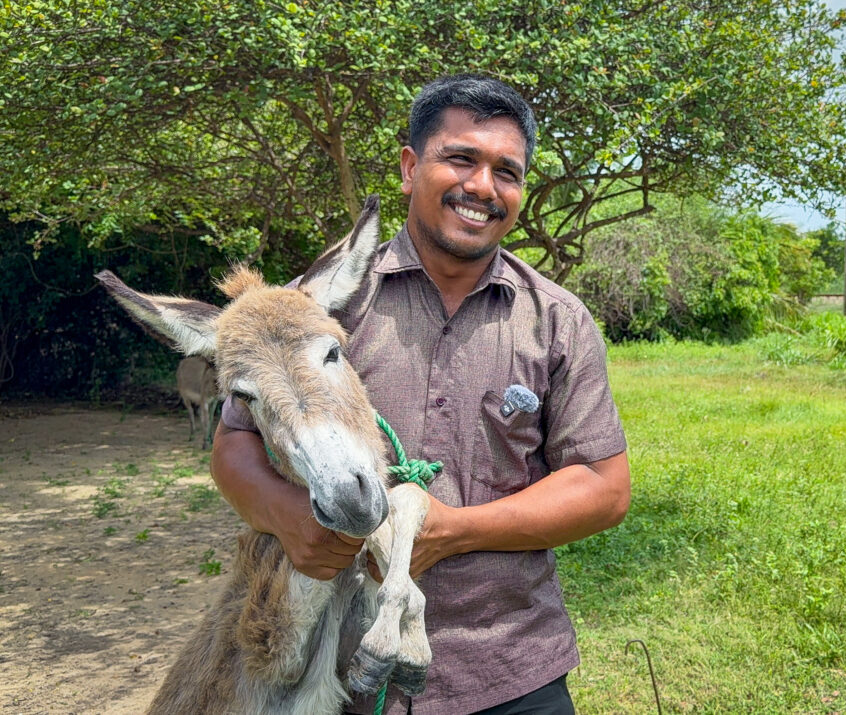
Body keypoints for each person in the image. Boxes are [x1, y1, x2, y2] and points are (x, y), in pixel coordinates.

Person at [210, 73, 631, 715]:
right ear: (411, 167)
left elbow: (603, 487)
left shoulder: (558, 320)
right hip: (341, 678)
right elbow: (233, 446)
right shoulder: (313, 306)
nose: (482, 187)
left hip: (510, 667)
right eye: (461, 158)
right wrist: (287, 516)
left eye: (506, 171)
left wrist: (454, 530)